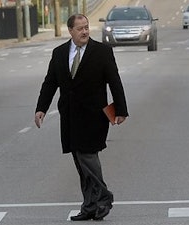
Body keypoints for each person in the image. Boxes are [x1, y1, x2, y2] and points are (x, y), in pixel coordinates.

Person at [34, 14, 129, 221]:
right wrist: (41, 108)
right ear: (70, 31)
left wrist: (121, 109)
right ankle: (90, 206)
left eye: (86, 27)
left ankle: (103, 196)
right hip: (69, 116)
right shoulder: (59, 53)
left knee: (87, 156)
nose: (85, 31)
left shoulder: (102, 52)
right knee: (80, 161)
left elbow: (114, 81)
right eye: (80, 28)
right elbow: (50, 83)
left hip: (94, 115)